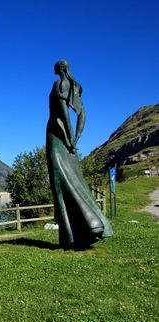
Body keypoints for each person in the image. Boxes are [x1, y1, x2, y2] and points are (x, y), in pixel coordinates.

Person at [46, 60, 114, 249]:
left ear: (59, 69)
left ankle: (83, 228)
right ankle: (86, 229)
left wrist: (68, 138)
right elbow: (82, 115)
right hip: (68, 140)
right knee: (74, 178)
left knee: (60, 179)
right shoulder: (75, 87)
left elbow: (63, 113)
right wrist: (76, 138)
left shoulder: (59, 85)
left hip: (55, 134)